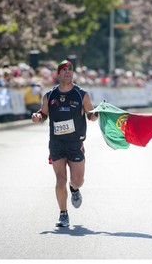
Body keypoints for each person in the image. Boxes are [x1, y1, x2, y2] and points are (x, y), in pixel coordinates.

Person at [32, 59, 98, 227]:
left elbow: (90, 114)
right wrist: (38, 117)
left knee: (77, 180)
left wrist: (95, 115)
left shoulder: (81, 94)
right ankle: (63, 214)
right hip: (57, 143)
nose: (67, 72)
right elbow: (43, 114)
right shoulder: (50, 95)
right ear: (58, 73)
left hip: (75, 143)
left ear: (73, 73)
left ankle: (74, 189)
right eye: (64, 70)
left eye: (70, 69)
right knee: (60, 180)